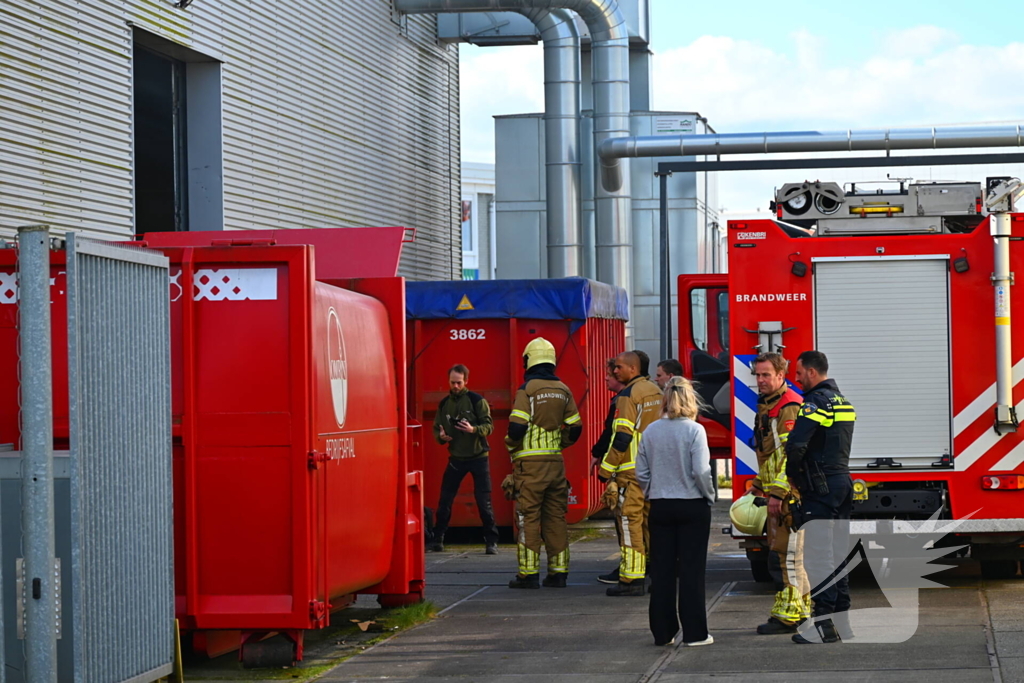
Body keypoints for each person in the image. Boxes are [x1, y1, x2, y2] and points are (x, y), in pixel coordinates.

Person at [636, 376, 716, 647]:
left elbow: (641, 472)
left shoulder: (651, 431)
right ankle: (695, 634)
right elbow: (701, 470)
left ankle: (663, 632)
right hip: (692, 505)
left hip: (660, 505)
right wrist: (709, 494)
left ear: (666, 399)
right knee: (692, 572)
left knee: (662, 571)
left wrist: (653, 491)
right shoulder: (695, 431)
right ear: (690, 399)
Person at [785, 350, 856, 645]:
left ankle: (823, 626)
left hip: (821, 487)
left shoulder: (815, 403)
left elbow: (796, 445)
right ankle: (843, 623)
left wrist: (795, 479)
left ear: (812, 372)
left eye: (799, 373)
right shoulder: (844, 402)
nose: (797, 378)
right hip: (842, 484)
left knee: (817, 558)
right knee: (838, 554)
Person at [506, 337, 583, 589]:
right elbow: (575, 428)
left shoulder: (526, 389)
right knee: (555, 518)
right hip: (555, 464)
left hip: (530, 467)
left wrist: (510, 443)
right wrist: (557, 444)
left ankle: (528, 575)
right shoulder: (564, 389)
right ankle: (558, 573)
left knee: (528, 517)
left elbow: (517, 428)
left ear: (528, 360)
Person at [748, 353, 811, 635]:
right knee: (788, 555)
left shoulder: (788, 407)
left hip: (788, 495)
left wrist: (776, 492)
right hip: (779, 492)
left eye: (766, 375)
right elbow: (771, 457)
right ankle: (801, 609)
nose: (760, 381)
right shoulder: (770, 405)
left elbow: (791, 457)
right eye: (758, 375)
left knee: (788, 557)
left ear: (781, 375)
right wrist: (759, 485)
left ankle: (791, 615)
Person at [599, 351, 663, 596]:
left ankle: (632, 579)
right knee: (650, 524)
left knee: (629, 522)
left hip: (630, 471)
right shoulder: (656, 391)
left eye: (618, 367)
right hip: (655, 470)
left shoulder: (627, 395)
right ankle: (653, 572)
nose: (615, 371)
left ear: (633, 369)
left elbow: (623, 436)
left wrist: (607, 469)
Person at [430, 364, 499, 555]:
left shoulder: (477, 401)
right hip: (456, 457)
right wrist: (441, 436)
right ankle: (438, 539)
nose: (456, 386)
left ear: (466, 381)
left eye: (459, 382)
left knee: (483, 500)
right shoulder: (445, 403)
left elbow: (489, 426)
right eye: (452, 382)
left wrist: (473, 430)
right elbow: (437, 427)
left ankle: (491, 541)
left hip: (478, 457)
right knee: (445, 500)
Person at [592, 358, 627, 584]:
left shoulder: (622, 402)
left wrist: (600, 462)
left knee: (625, 524)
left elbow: (612, 435)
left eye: (610, 374)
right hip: (638, 473)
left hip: (625, 472)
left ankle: (629, 571)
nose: (605, 377)